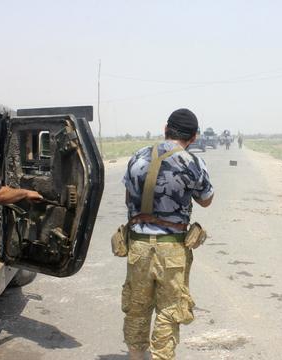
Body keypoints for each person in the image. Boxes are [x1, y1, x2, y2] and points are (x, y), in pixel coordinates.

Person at [121, 108, 214, 360]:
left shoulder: (137, 157)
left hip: (138, 246)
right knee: (169, 309)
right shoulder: (192, 162)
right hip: (171, 248)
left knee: (137, 309)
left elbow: (129, 197)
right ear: (193, 137)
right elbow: (206, 200)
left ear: (165, 129)